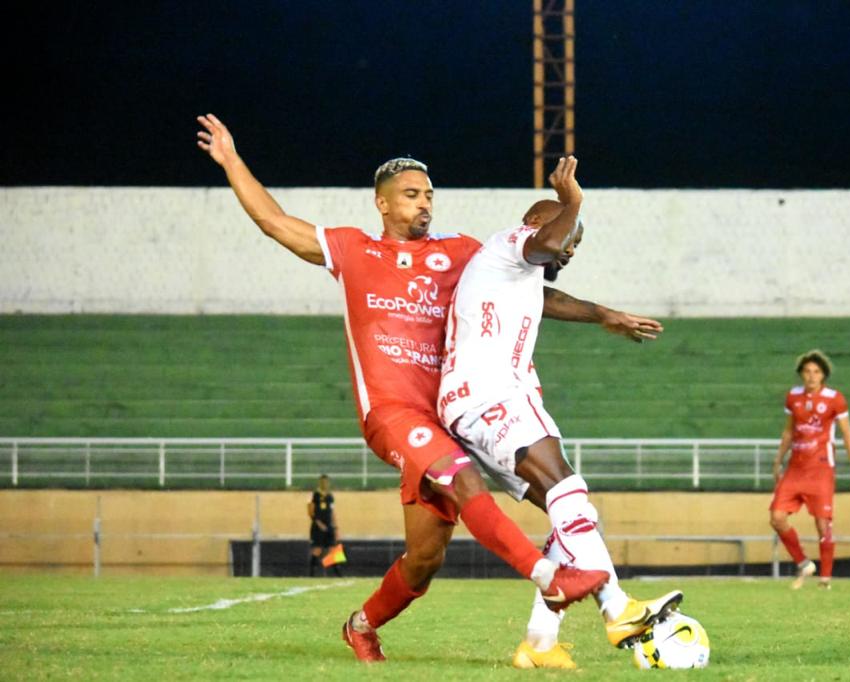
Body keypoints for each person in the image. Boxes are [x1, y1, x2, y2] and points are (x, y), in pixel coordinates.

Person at [196, 114, 645, 663]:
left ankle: (362, 626)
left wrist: (601, 314)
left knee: (425, 559)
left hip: (449, 418)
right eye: (410, 195)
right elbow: (274, 221)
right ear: (382, 204)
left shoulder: (459, 253)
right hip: (393, 413)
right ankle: (554, 580)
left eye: (428, 194)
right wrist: (231, 159)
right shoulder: (354, 251)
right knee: (469, 484)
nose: (423, 204)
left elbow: (525, 292)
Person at [438, 158, 679, 669]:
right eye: (570, 238)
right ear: (535, 224)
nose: (569, 250)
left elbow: (546, 297)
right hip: (492, 394)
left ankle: (539, 643)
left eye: (576, 244)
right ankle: (618, 609)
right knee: (568, 489)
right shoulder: (510, 243)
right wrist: (573, 201)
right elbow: (546, 244)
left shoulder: (514, 276)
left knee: (566, 513)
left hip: (475, 404)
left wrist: (603, 314)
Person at [769, 349, 850, 590]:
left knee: (823, 525)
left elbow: (847, 434)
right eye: (807, 371)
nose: (811, 376)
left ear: (823, 375)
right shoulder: (793, 397)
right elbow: (788, 431)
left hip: (821, 468)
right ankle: (803, 563)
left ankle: (825, 578)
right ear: (801, 374)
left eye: (816, 372)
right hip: (795, 468)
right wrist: (778, 460)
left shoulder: (835, 399)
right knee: (777, 517)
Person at [308, 474, 340, 576]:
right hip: (318, 527)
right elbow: (310, 512)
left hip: (329, 526)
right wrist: (319, 523)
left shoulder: (330, 496)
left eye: (326, 482)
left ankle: (338, 574)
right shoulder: (314, 495)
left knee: (333, 549)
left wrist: (335, 527)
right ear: (320, 483)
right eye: (323, 482)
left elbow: (332, 512)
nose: (325, 484)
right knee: (317, 550)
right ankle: (312, 574)